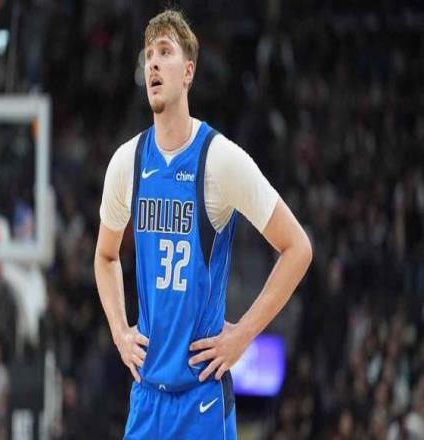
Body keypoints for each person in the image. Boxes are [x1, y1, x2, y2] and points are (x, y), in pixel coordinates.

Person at [94, 9, 312, 439]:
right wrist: (120, 332)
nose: (153, 64)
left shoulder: (220, 160)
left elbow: (297, 248)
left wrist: (243, 334)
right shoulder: (127, 162)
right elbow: (104, 256)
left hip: (202, 399)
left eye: (164, 52)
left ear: (189, 72)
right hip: (147, 397)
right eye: (148, 55)